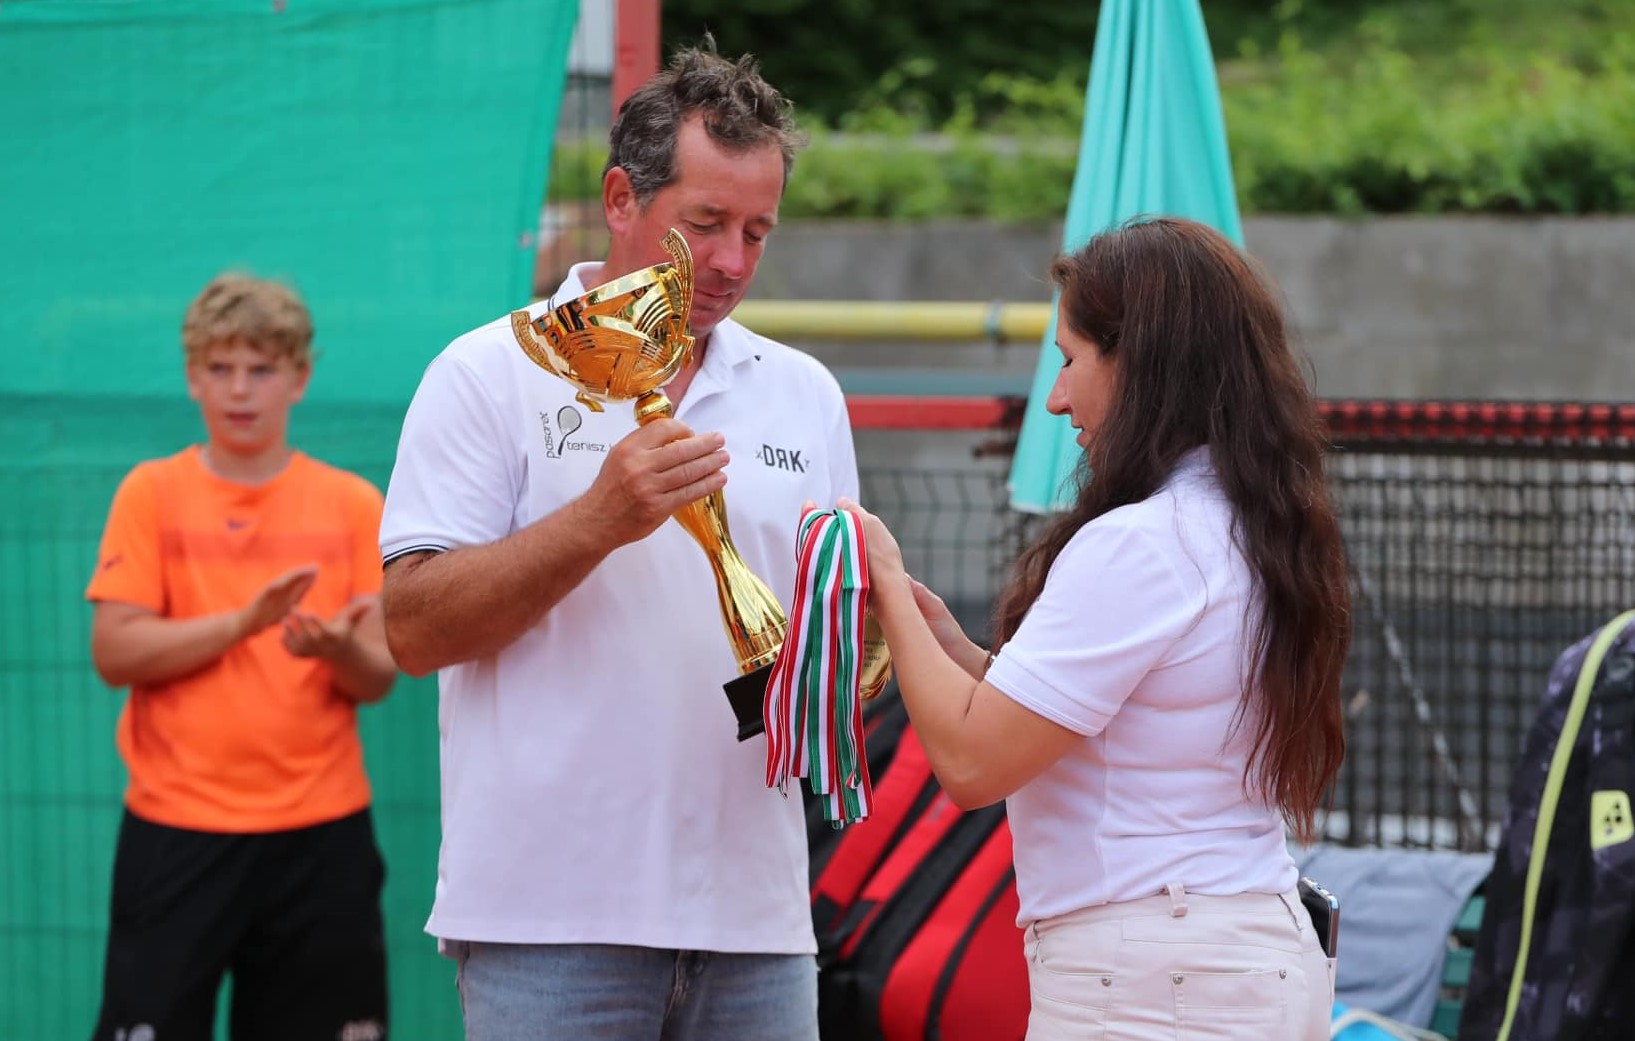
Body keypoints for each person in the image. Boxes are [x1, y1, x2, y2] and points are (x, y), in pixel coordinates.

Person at [378, 41, 855, 1041]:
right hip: (546, 924)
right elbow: (413, 630)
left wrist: (856, 659)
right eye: (706, 224)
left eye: (758, 232)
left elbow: (822, 644)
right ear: (621, 197)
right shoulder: (486, 373)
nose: (730, 262)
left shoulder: (803, 392)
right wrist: (599, 519)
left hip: (759, 922)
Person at [841, 217, 1352, 1041]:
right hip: (1237, 953)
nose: (1056, 397)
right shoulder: (1242, 521)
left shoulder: (1143, 541)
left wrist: (890, 590)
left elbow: (973, 763)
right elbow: (1103, 723)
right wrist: (951, 647)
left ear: (1138, 363)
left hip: (1153, 977)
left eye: (1069, 359)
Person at [84, 273, 399, 1040]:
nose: (240, 389)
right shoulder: (151, 493)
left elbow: (378, 675)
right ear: (192, 376)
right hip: (176, 832)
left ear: (299, 377)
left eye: (261, 368)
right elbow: (114, 650)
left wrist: (333, 650)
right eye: (220, 368)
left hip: (321, 838)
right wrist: (244, 622)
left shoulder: (354, 503)